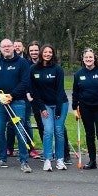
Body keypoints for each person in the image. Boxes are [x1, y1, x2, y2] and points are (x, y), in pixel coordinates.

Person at [0, 37, 33, 172]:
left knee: (20, 131)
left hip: (17, 102)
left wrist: (11, 96)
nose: (6, 48)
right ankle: (2, 159)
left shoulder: (23, 63)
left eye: (9, 46)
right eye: (3, 47)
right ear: (0, 49)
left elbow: (25, 82)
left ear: (14, 47)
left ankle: (24, 161)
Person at [29, 44, 68, 172]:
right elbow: (35, 91)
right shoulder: (34, 69)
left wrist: (58, 109)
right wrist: (42, 108)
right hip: (44, 104)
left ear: (53, 54)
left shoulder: (58, 69)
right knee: (48, 130)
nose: (47, 54)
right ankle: (47, 160)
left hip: (60, 104)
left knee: (59, 131)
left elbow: (60, 90)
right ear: (41, 53)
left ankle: (60, 160)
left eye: (50, 52)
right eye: (45, 52)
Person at [72, 48, 98, 171]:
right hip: (85, 108)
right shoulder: (78, 74)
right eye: (86, 57)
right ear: (83, 59)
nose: (88, 59)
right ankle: (92, 161)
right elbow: (75, 92)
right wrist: (74, 107)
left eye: (90, 57)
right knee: (89, 134)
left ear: (94, 59)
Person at [24, 41, 44, 160]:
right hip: (33, 100)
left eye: (36, 50)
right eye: (31, 51)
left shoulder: (46, 63)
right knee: (39, 125)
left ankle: (63, 153)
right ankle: (32, 149)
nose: (34, 52)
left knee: (56, 128)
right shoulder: (26, 64)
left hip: (46, 99)